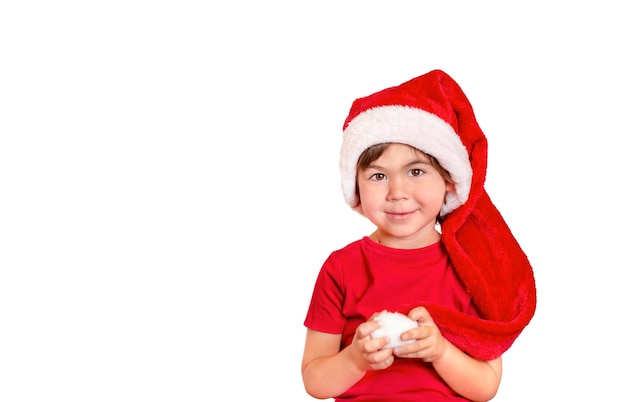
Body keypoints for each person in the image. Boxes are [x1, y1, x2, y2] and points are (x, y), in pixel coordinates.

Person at [301, 69, 537, 402]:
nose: (398, 192)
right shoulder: (341, 268)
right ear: (355, 186)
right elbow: (315, 381)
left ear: (450, 181)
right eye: (378, 175)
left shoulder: (471, 268)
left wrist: (440, 351)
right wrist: (354, 359)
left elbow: (486, 387)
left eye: (416, 171)